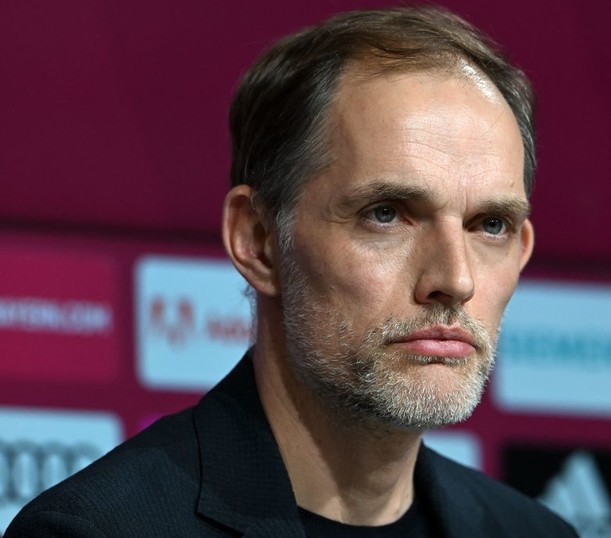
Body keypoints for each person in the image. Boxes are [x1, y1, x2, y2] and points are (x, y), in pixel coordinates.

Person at [7, 6, 577, 537]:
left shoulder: (535, 533)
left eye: (491, 225)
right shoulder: (96, 530)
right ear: (257, 240)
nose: (456, 279)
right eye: (386, 214)